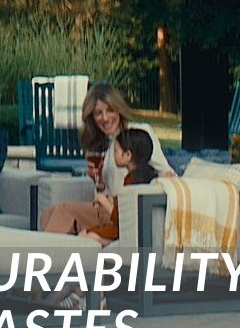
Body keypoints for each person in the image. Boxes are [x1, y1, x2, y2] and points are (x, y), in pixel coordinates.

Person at [41, 83, 167, 239]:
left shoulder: (138, 135)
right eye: (98, 113)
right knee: (48, 214)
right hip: (107, 209)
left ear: (119, 110)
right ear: (92, 117)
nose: (105, 118)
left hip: (125, 213)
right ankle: (63, 257)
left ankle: (44, 256)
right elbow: (105, 190)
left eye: (110, 110)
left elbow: (166, 173)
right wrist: (99, 183)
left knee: (63, 211)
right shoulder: (104, 145)